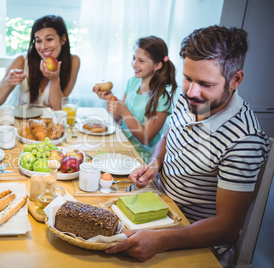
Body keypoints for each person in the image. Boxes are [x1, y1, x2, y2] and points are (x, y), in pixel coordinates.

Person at [105, 26, 269, 264]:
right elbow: (167, 137)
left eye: (205, 83)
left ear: (236, 80)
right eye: (188, 78)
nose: (192, 92)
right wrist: (155, 163)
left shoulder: (244, 138)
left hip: (189, 237)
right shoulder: (193, 100)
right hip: (159, 206)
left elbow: (227, 228)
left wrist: (161, 239)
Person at [93, 36, 177, 162]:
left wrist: (123, 111)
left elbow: (146, 138)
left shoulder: (162, 98)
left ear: (157, 65)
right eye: (133, 58)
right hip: (121, 143)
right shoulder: (132, 82)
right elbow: (118, 119)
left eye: (141, 61)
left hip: (140, 156)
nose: (134, 64)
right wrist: (110, 99)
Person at [0, 15, 80, 110]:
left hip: (51, 122)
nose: (43, 47)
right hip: (20, 120)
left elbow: (59, 109)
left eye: (49, 39)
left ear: (63, 39)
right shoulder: (22, 61)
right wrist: (8, 83)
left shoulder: (73, 61)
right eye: (38, 41)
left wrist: (54, 80)